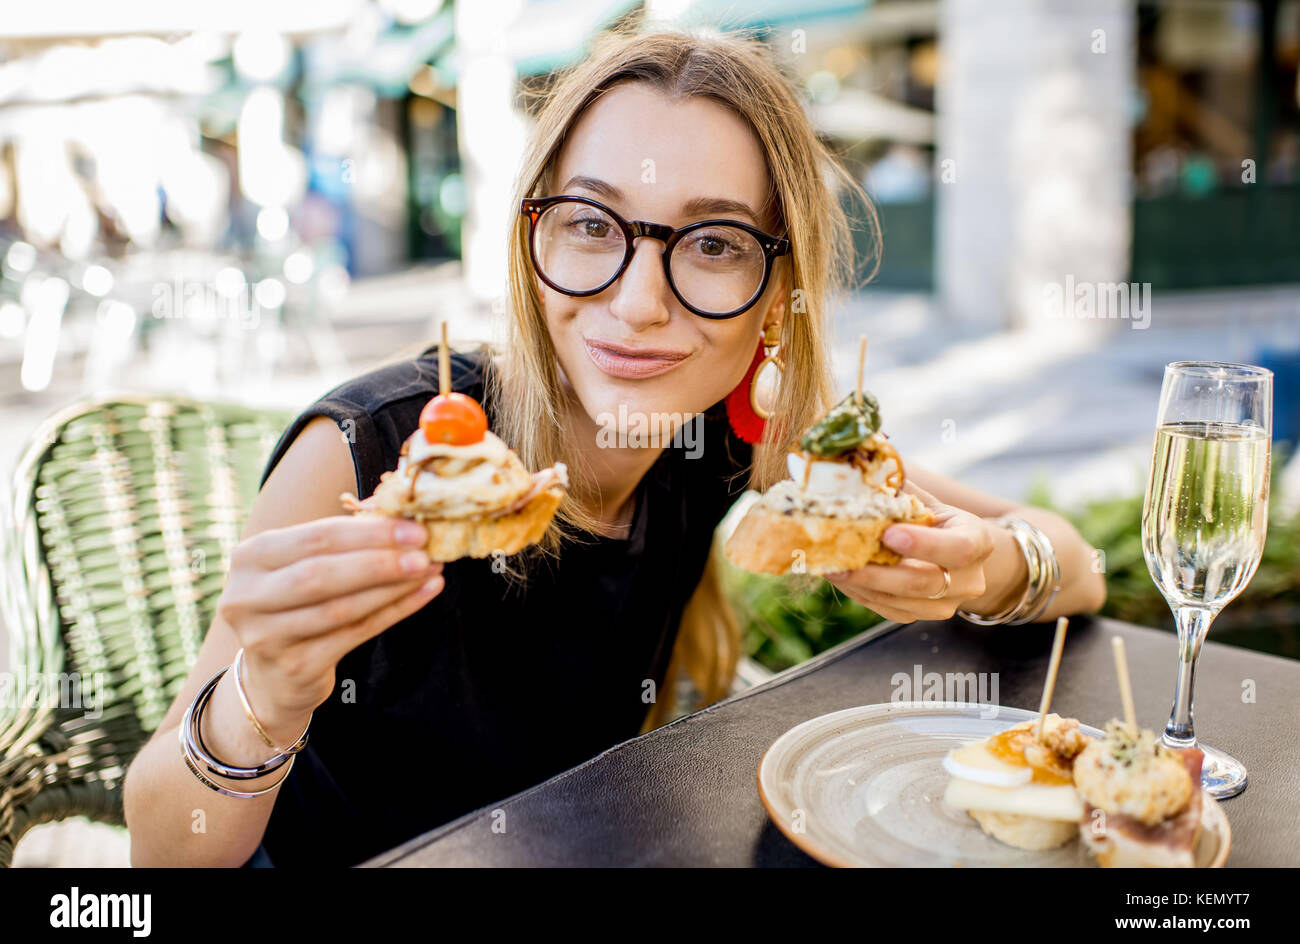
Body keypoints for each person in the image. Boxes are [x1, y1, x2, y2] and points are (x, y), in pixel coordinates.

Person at [123, 27, 1105, 868]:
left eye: (713, 243)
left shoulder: (734, 436)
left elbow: (1077, 565)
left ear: (776, 293)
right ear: (531, 238)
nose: (637, 306)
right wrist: (264, 696)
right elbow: (168, 847)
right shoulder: (370, 456)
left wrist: (986, 567)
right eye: (591, 224)